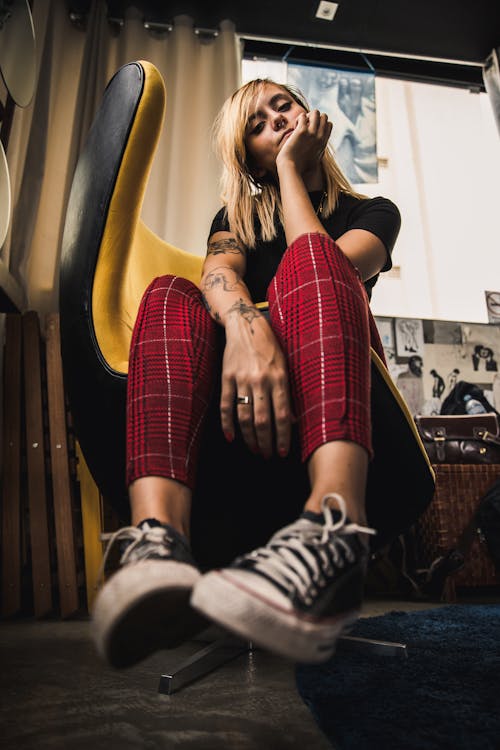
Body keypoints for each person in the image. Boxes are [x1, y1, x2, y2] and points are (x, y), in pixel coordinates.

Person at [92, 78, 401, 669]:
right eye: (256, 124)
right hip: (239, 417)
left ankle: (334, 524)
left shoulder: (373, 212)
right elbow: (219, 275)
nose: (276, 122)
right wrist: (244, 330)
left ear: (308, 116)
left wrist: (290, 170)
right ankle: (158, 544)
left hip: (338, 406)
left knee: (312, 258)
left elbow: (331, 264)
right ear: (246, 158)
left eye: (282, 107)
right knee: (167, 294)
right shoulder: (232, 221)